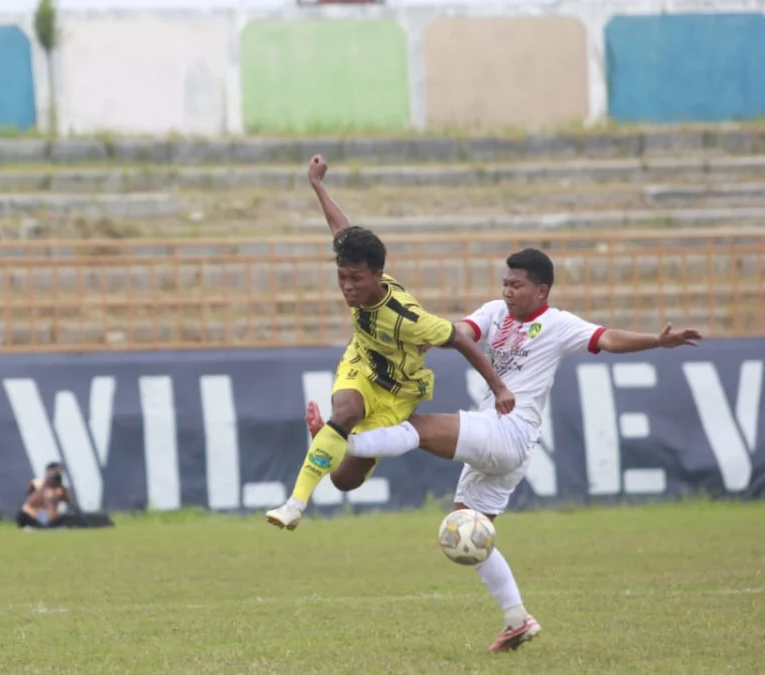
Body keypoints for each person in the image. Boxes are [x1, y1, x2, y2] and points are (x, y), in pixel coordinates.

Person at [305, 247, 703, 652]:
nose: (508, 291)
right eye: (505, 283)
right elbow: (460, 332)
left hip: (508, 431)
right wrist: (419, 334)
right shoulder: (495, 312)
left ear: (542, 290)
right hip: (505, 445)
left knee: (417, 428)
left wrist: (656, 340)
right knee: (466, 532)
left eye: (517, 284)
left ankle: (341, 438)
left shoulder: (559, 324)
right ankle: (517, 619)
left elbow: (608, 338)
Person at [265, 155, 515, 531]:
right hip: (360, 366)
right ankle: (294, 505)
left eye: (356, 279)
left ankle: (330, 439)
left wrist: (498, 387)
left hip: (398, 392)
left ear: (377, 275)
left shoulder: (408, 319)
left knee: (343, 479)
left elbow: (459, 339)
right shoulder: (356, 264)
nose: (348, 286)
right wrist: (317, 183)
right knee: (346, 410)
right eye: (341, 277)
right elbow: (340, 227)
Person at [17, 462, 75, 529]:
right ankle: (35, 526)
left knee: (66, 516)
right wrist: (45, 485)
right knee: (23, 513)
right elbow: (31, 501)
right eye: (55, 472)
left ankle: (49, 527)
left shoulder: (59, 488)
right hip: (35, 513)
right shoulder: (36, 483)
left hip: (51, 515)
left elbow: (68, 500)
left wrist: (61, 487)